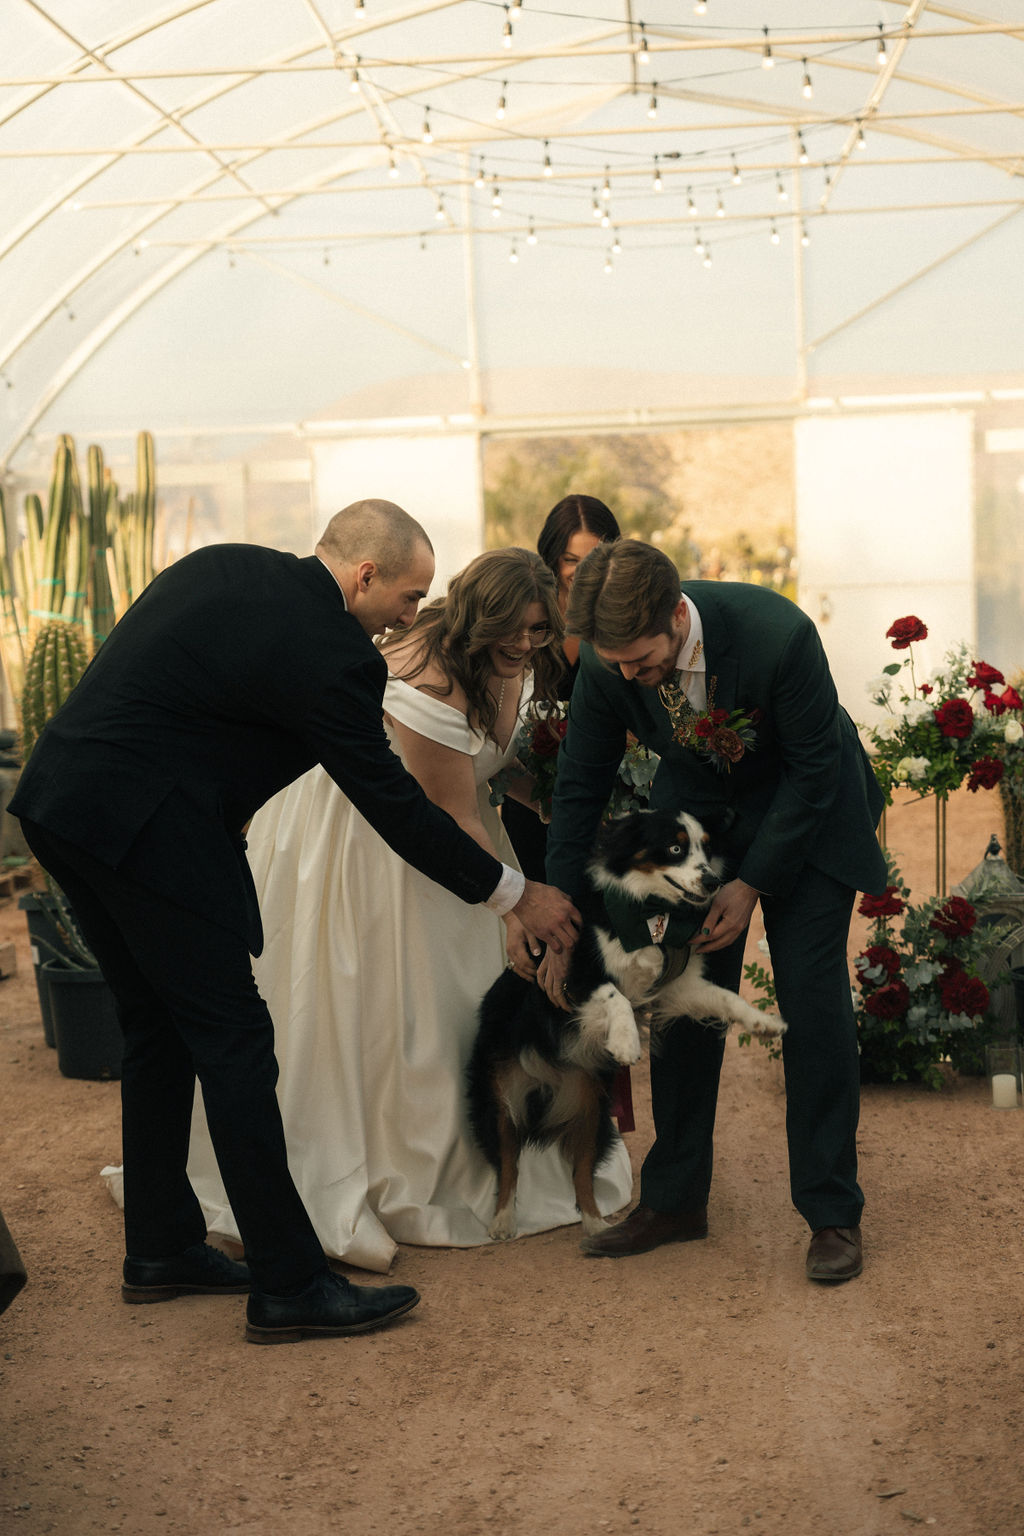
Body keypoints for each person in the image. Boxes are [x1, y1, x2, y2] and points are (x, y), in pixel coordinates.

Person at [10, 501, 581, 1344]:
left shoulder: (227, 563)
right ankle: (290, 1283)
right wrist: (509, 892)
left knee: (157, 1031)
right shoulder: (335, 654)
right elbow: (391, 803)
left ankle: (161, 1247)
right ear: (364, 576)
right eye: (408, 595)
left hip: (61, 805)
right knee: (237, 1042)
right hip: (148, 834)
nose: (413, 615)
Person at [185, 547, 634, 1270]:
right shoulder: (427, 682)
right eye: (513, 631)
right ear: (476, 617)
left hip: (441, 819)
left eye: (539, 630)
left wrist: (553, 796)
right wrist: (515, 911)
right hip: (379, 846)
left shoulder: (504, 657)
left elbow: (493, 766)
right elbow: (456, 817)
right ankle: (413, 1164)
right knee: (407, 1003)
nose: (526, 645)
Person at [527, 538, 887, 1283]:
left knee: (810, 1001)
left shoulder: (777, 633)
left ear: (675, 614)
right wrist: (560, 908)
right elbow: (580, 787)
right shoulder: (606, 660)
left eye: (641, 659)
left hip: (810, 814)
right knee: (682, 994)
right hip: (701, 821)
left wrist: (751, 882)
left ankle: (831, 1213)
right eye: (615, 663)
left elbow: (816, 769)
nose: (628, 675)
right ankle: (675, 1200)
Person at [502, 495, 621, 881]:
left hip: (607, 797)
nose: (583, 571)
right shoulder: (526, 615)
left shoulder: (624, 616)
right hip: (530, 795)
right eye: (571, 560)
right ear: (552, 558)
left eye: (594, 557)